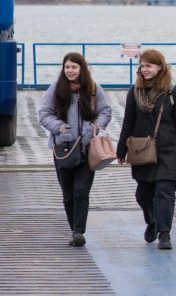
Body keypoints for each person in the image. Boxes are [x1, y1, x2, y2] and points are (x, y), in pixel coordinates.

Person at [117, 49, 176, 250]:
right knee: (143, 194)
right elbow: (128, 122)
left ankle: (164, 232)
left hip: (169, 150)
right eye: (142, 66)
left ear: (160, 66)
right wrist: (120, 150)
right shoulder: (135, 92)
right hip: (142, 149)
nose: (144, 70)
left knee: (164, 191)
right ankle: (152, 221)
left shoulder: (172, 91)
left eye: (148, 66)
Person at [38, 52, 112, 247]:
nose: (70, 71)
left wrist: (96, 126)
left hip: (87, 148)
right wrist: (60, 127)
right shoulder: (55, 89)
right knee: (68, 194)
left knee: (81, 191)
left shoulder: (94, 89)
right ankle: (74, 228)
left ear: (82, 69)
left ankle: (79, 231)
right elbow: (44, 114)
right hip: (62, 149)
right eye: (67, 67)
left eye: (74, 67)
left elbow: (106, 111)